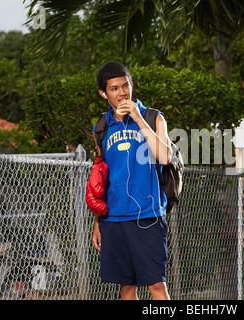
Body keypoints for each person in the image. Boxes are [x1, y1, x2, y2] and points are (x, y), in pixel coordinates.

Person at [91, 62, 172, 300]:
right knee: (126, 289)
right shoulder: (101, 128)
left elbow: (165, 157)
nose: (122, 93)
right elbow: (100, 179)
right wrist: (97, 222)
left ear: (132, 85)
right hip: (113, 219)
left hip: (147, 216)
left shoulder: (153, 117)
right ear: (103, 94)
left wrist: (138, 118)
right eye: (114, 89)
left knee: (157, 286)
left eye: (125, 86)